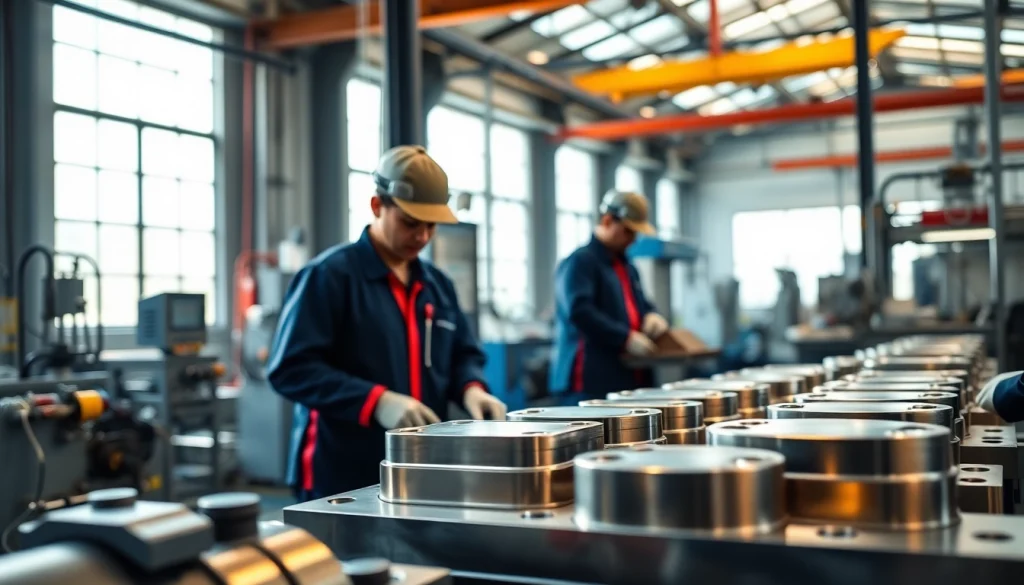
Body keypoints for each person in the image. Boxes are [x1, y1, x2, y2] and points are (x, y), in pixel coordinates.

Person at [267, 145, 507, 501]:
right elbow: (291, 368)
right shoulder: (330, 277)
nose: (423, 236)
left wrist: (472, 387)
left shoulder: (437, 286)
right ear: (378, 207)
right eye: (410, 223)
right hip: (342, 473)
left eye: (431, 225)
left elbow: (463, 353)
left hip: (422, 466)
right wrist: (376, 401)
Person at [549, 189, 671, 401]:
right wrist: (624, 338)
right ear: (607, 221)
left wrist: (652, 314)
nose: (633, 240)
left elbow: (639, 303)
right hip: (589, 381)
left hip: (627, 374)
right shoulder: (580, 262)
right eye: (628, 231)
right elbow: (580, 311)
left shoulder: (626, 266)